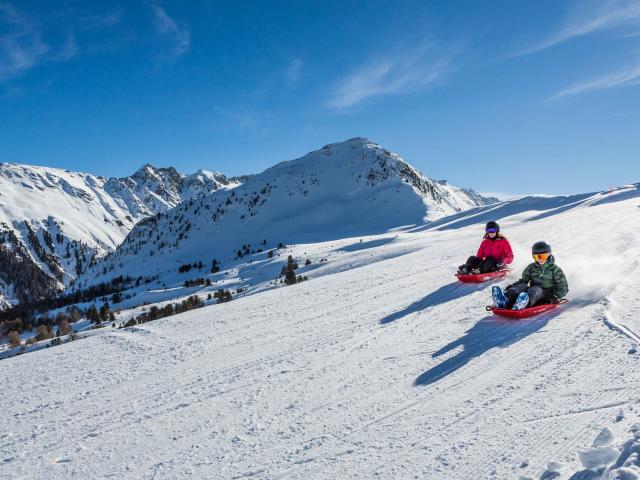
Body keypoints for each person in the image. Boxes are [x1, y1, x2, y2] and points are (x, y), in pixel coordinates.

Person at [492, 241, 569, 310]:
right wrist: (513, 286)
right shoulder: (531, 267)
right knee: (522, 286)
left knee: (534, 289)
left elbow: (563, 287)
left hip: (547, 295)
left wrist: (555, 297)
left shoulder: (555, 270)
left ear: (548, 255)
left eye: (543, 256)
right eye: (536, 257)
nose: (540, 259)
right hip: (532, 292)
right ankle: (504, 300)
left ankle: (523, 304)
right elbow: (523, 281)